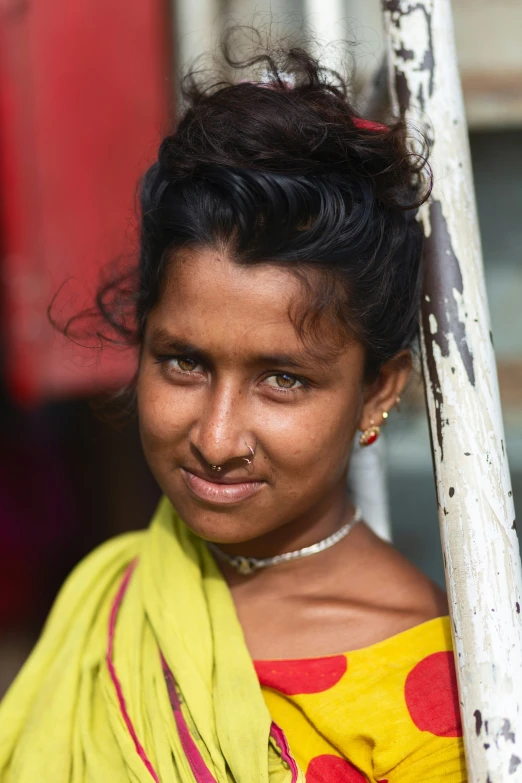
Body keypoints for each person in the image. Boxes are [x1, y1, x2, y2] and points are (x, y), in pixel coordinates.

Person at [0, 43, 467, 783]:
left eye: (283, 379)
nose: (215, 439)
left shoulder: (434, 688)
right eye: (183, 362)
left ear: (378, 390)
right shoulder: (112, 590)